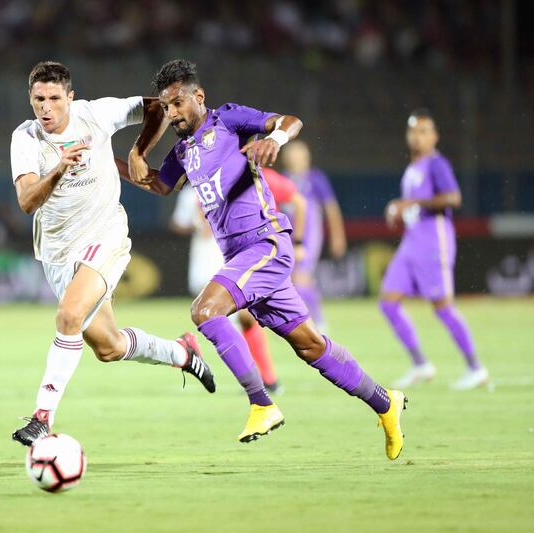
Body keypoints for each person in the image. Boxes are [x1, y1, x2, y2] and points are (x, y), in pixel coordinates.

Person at [128, 59, 405, 460]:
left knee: (205, 311)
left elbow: (290, 121)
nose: (170, 114)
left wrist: (277, 138)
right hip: (242, 255)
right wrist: (115, 164)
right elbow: (158, 185)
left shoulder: (227, 120)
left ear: (198, 97)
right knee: (310, 346)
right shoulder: (183, 151)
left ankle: (261, 403)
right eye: (165, 108)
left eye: (176, 104)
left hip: (265, 244)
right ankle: (385, 403)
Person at [9, 61, 216, 446]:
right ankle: (181, 353)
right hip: (57, 252)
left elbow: (156, 106)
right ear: (31, 100)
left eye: (55, 98)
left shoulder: (95, 114)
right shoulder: (26, 139)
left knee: (69, 315)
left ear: (70, 98)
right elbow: (26, 201)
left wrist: (139, 151)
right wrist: (57, 170)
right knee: (108, 346)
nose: (47, 108)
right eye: (39, 99)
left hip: (104, 235)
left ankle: (42, 418)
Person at [170, 168, 307, 393]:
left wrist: (298, 242)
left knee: (249, 317)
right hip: (212, 256)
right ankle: (261, 379)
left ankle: (263, 378)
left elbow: (298, 201)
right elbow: (182, 220)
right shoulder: (199, 184)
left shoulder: (256, 175)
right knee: (240, 317)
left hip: (251, 255)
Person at [380, 109, 488, 390]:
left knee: (442, 307)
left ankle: (476, 368)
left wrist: (411, 205)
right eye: (413, 131)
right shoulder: (412, 168)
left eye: (424, 131)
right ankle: (420, 364)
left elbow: (453, 197)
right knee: (389, 301)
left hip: (433, 240)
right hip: (411, 241)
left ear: (435, 136)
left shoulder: (436, 163)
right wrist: (401, 211)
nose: (417, 137)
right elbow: (413, 205)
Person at [281, 140, 347, 332]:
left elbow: (331, 209)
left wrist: (338, 236)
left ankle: (318, 322)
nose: (296, 158)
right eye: (292, 154)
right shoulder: (283, 178)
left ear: (307, 157)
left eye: (299, 154)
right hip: (290, 235)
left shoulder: (316, 178)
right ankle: (308, 320)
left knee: (300, 278)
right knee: (294, 280)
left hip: (310, 236)